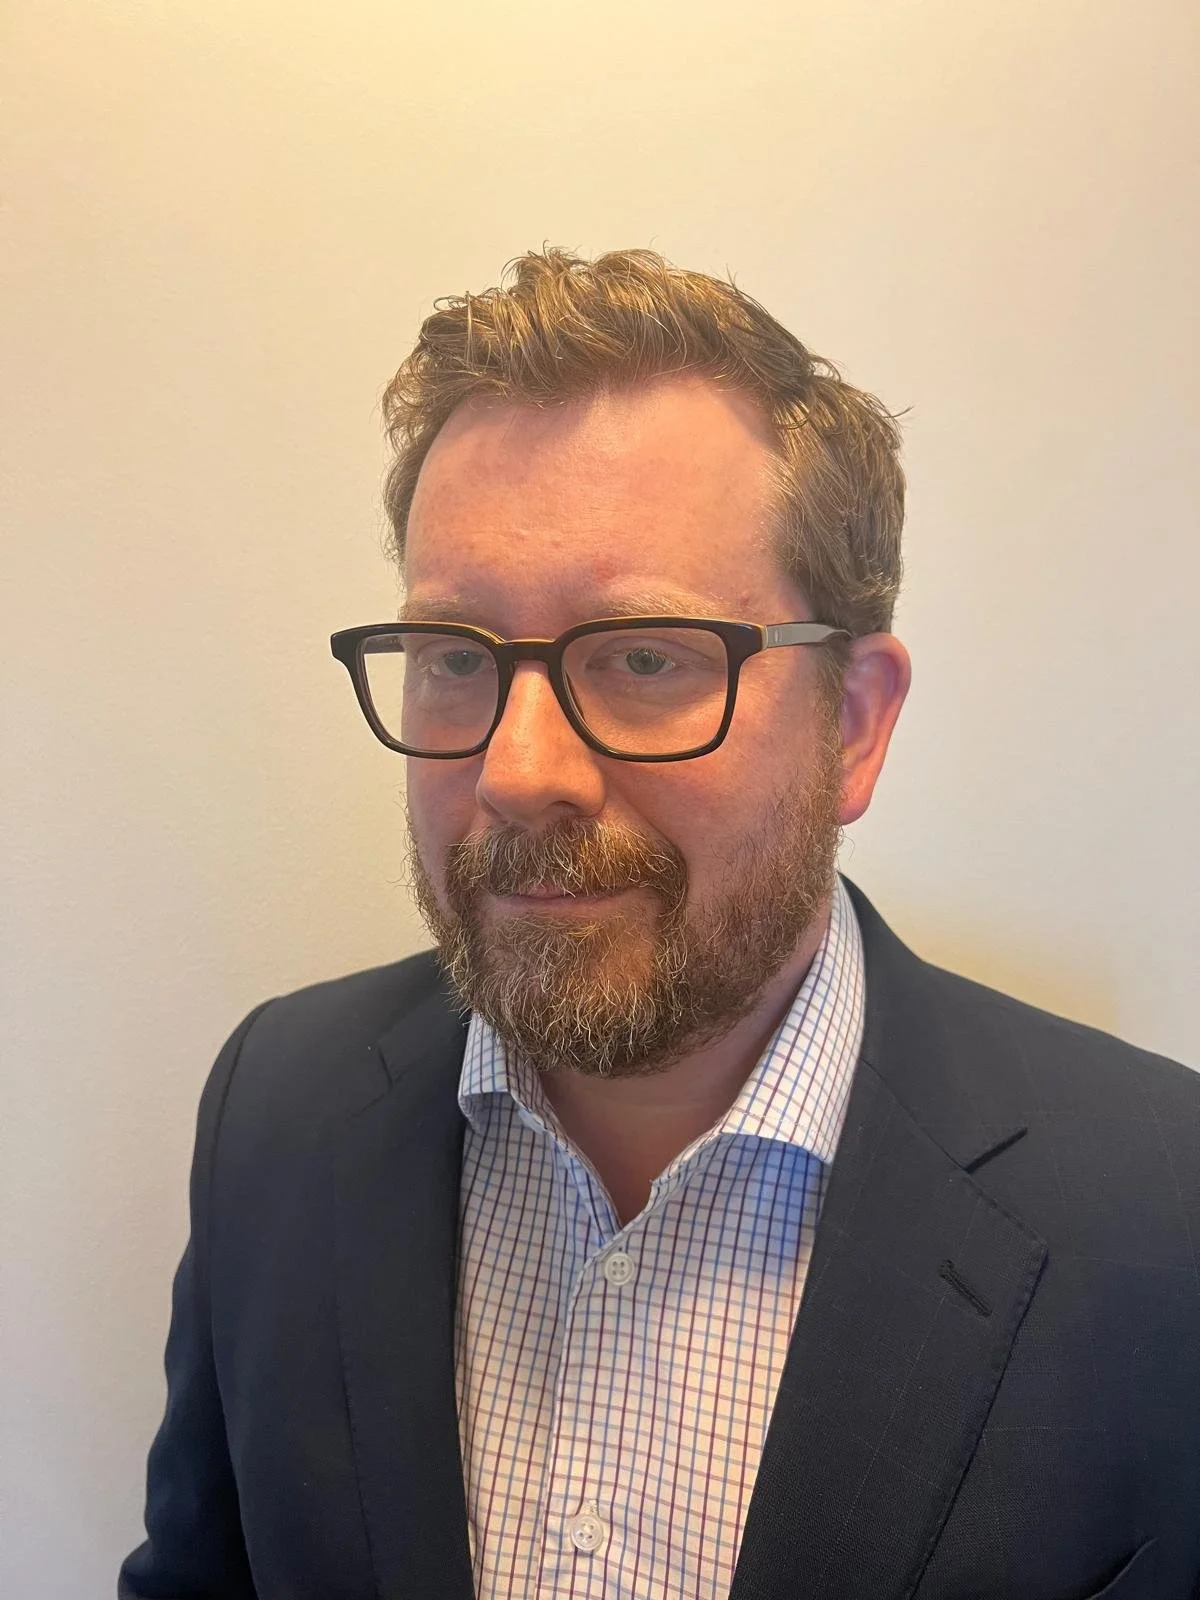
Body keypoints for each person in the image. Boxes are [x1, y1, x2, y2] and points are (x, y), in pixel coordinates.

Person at [119, 248, 1200, 1600]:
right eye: (454, 657)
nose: (518, 771)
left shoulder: (1163, 1210)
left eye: (643, 658)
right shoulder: (276, 1109)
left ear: (854, 725)